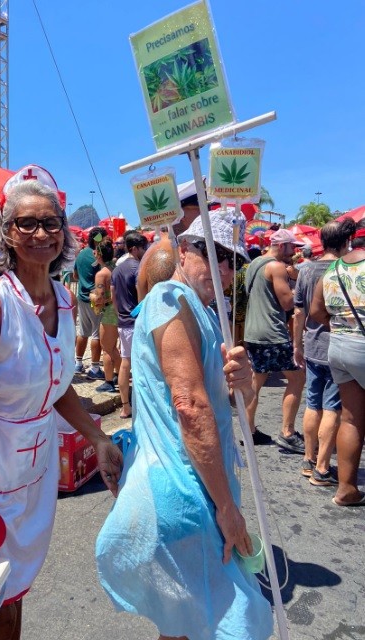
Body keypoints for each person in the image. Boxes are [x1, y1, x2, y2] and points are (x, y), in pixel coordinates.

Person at [0, 179, 122, 639]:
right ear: (6, 233)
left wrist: (97, 437)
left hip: (37, 474)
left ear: (65, 232)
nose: (42, 233)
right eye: (27, 223)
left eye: (51, 223)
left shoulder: (62, 299)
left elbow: (55, 387)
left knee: (15, 593)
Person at [96, 209, 273, 640]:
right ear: (186, 248)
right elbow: (190, 407)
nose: (225, 268)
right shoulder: (170, 301)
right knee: (228, 623)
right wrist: (229, 510)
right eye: (215, 253)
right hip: (185, 493)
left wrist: (244, 384)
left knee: (182, 626)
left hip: (191, 492)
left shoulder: (207, 311)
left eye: (234, 259)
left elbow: (225, 401)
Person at [293, 220, 354, 486]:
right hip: (336, 346)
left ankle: (308, 459)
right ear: (345, 243)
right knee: (332, 408)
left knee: (313, 403)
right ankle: (322, 468)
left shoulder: (305, 270)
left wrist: (297, 345)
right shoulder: (342, 269)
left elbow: (298, 313)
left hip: (312, 344)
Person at [310, 218, 365, 507]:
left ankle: (346, 488)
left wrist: (340, 328)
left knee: (352, 418)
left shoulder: (335, 268)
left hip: (340, 347)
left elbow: (316, 310)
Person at [243, 228, 306, 449]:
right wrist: (297, 281)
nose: (294, 251)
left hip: (253, 331)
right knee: (298, 378)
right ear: (281, 246)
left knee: (254, 384)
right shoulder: (277, 267)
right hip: (273, 332)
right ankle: (288, 432)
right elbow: (288, 303)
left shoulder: (254, 264)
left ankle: (248, 430)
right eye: (292, 247)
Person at [111, 231, 148, 418]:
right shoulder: (138, 268)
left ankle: (126, 406)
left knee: (125, 364)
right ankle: (142, 407)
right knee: (142, 365)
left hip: (122, 322)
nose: (145, 251)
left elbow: (113, 296)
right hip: (136, 323)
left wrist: (120, 315)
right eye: (143, 248)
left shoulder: (117, 269)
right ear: (134, 248)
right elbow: (141, 298)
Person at [73, 226, 108, 379]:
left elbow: (74, 275)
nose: (107, 240)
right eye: (104, 238)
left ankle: (78, 363)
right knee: (96, 334)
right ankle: (94, 368)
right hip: (95, 298)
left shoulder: (80, 255)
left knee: (83, 331)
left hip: (81, 296)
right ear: (98, 239)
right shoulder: (97, 255)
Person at [89, 237, 121, 393]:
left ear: (98, 254)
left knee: (107, 349)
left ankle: (109, 381)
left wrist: (92, 298)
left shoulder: (101, 274)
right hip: (119, 310)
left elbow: (100, 298)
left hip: (108, 312)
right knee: (114, 348)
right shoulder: (116, 268)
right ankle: (119, 375)